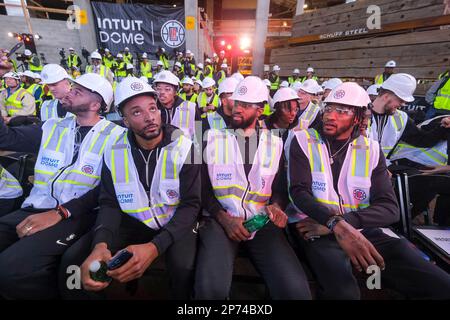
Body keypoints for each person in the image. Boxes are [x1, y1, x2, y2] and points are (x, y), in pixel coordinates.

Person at [287, 81, 450, 299]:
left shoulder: (371, 150)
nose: (330, 116)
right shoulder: (305, 141)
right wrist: (334, 224)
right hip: (316, 230)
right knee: (345, 293)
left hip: (360, 229)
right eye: (328, 108)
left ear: (357, 118)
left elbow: (390, 208)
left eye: (341, 111)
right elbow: (300, 193)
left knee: (436, 281)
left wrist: (342, 223)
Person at [59, 77, 200, 299]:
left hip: (174, 223)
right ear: (124, 121)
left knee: (183, 268)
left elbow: (191, 206)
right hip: (133, 221)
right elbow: (109, 203)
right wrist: (101, 244)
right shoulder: (113, 152)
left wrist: (154, 247)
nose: (149, 117)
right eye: (136, 112)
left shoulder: (185, 148)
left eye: (153, 108)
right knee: (73, 261)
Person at [0, 73, 125, 299]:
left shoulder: (116, 137)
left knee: (10, 272)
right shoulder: (51, 126)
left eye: (78, 91)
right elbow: (5, 139)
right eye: (72, 88)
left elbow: (110, 189)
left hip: (79, 215)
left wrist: (60, 212)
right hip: (34, 207)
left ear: (96, 104)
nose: (69, 92)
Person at [195, 76, 312, 300]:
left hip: (261, 223)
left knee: (295, 290)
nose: (237, 108)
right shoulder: (209, 138)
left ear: (260, 110)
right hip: (219, 222)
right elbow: (199, 187)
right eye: (237, 102)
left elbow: (280, 187)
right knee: (210, 291)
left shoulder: (276, 143)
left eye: (246, 105)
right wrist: (223, 217)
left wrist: (277, 206)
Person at [368, 73, 447, 166]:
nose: (403, 105)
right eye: (401, 100)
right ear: (386, 96)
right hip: (358, 170)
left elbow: (421, 140)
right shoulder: (359, 115)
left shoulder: (400, 118)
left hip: (381, 169)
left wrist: (442, 126)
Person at [154, 70, 201, 139]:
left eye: (167, 89)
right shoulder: (152, 110)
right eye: (158, 89)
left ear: (175, 92)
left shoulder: (191, 108)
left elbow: (200, 133)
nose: (162, 92)